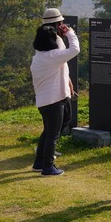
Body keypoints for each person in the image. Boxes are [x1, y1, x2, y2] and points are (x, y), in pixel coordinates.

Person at [30, 19, 80, 175]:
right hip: (54, 101)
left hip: (44, 101)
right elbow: (75, 49)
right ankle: (48, 166)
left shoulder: (38, 57)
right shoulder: (52, 56)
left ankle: (39, 163)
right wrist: (70, 33)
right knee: (53, 135)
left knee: (48, 132)